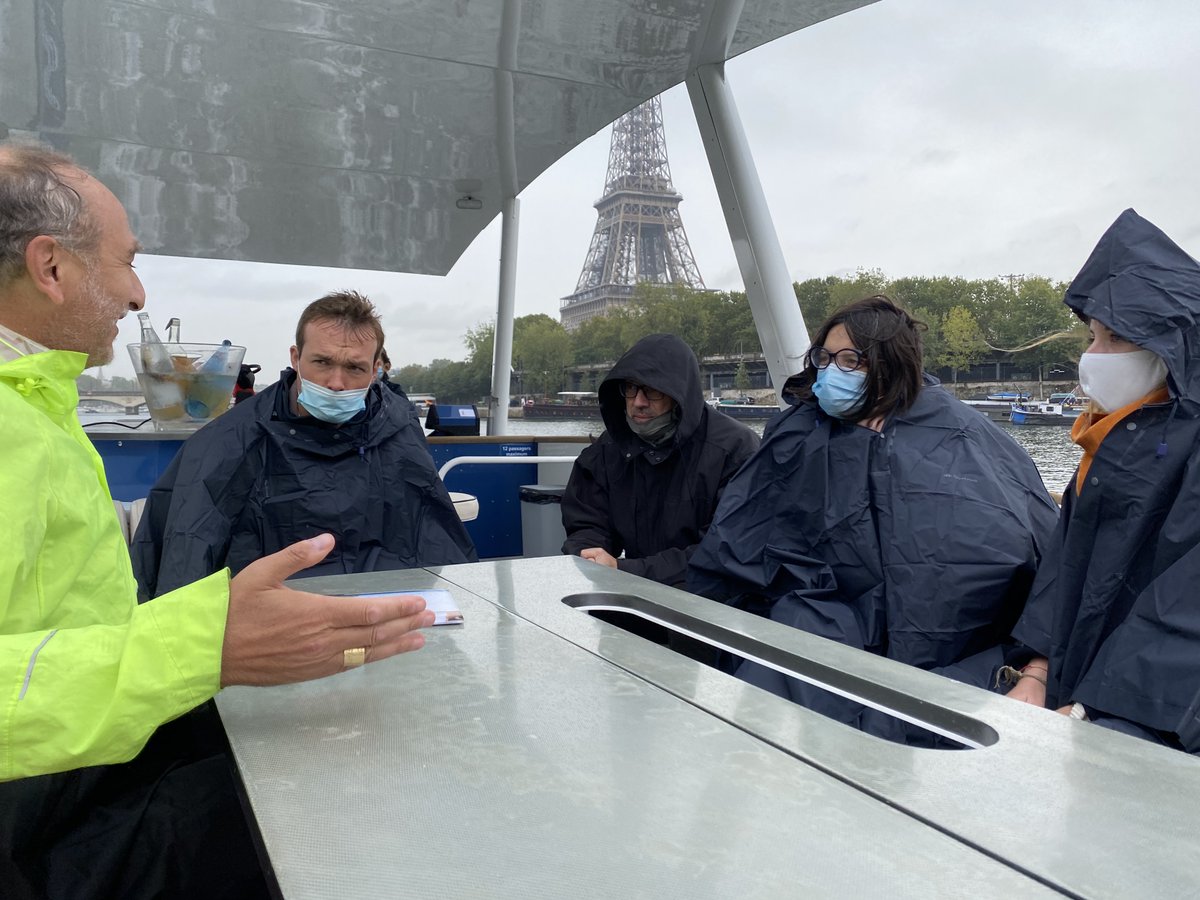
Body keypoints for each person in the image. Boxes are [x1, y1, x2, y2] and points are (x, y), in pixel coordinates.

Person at [0, 140, 437, 897]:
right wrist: (205, 645)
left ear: (379, 371)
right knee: (332, 801)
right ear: (52, 267)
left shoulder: (38, 405)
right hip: (38, 816)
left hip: (92, 756)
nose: (137, 294)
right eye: (127, 260)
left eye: (356, 369)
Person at [687, 296, 1059, 744]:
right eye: (824, 358)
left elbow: (1035, 552)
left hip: (947, 658)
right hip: (817, 637)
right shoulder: (797, 435)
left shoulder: (968, 438)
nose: (830, 371)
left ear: (890, 364)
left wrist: (1036, 667)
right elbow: (741, 545)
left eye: (849, 360)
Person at [132, 291, 476, 600]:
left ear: (375, 370)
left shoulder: (398, 426)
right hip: (274, 613)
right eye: (322, 362)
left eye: (354, 368)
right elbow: (185, 559)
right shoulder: (231, 439)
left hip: (383, 604)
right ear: (296, 357)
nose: (336, 383)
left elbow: (430, 537)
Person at [1006, 209, 1200, 753]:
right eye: (1092, 336)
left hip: (1152, 729)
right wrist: (1038, 670)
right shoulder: (1109, 440)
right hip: (1081, 703)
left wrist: (1099, 712)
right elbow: (1066, 572)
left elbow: (1183, 611)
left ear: (1171, 349)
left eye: (1115, 338)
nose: (1093, 356)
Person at [561, 333, 759, 590]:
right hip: (632, 594)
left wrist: (625, 571)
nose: (638, 402)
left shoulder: (735, 450)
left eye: (652, 390)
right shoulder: (611, 447)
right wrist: (591, 554)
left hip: (713, 606)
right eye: (630, 388)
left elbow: (726, 551)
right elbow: (587, 521)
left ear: (679, 394)